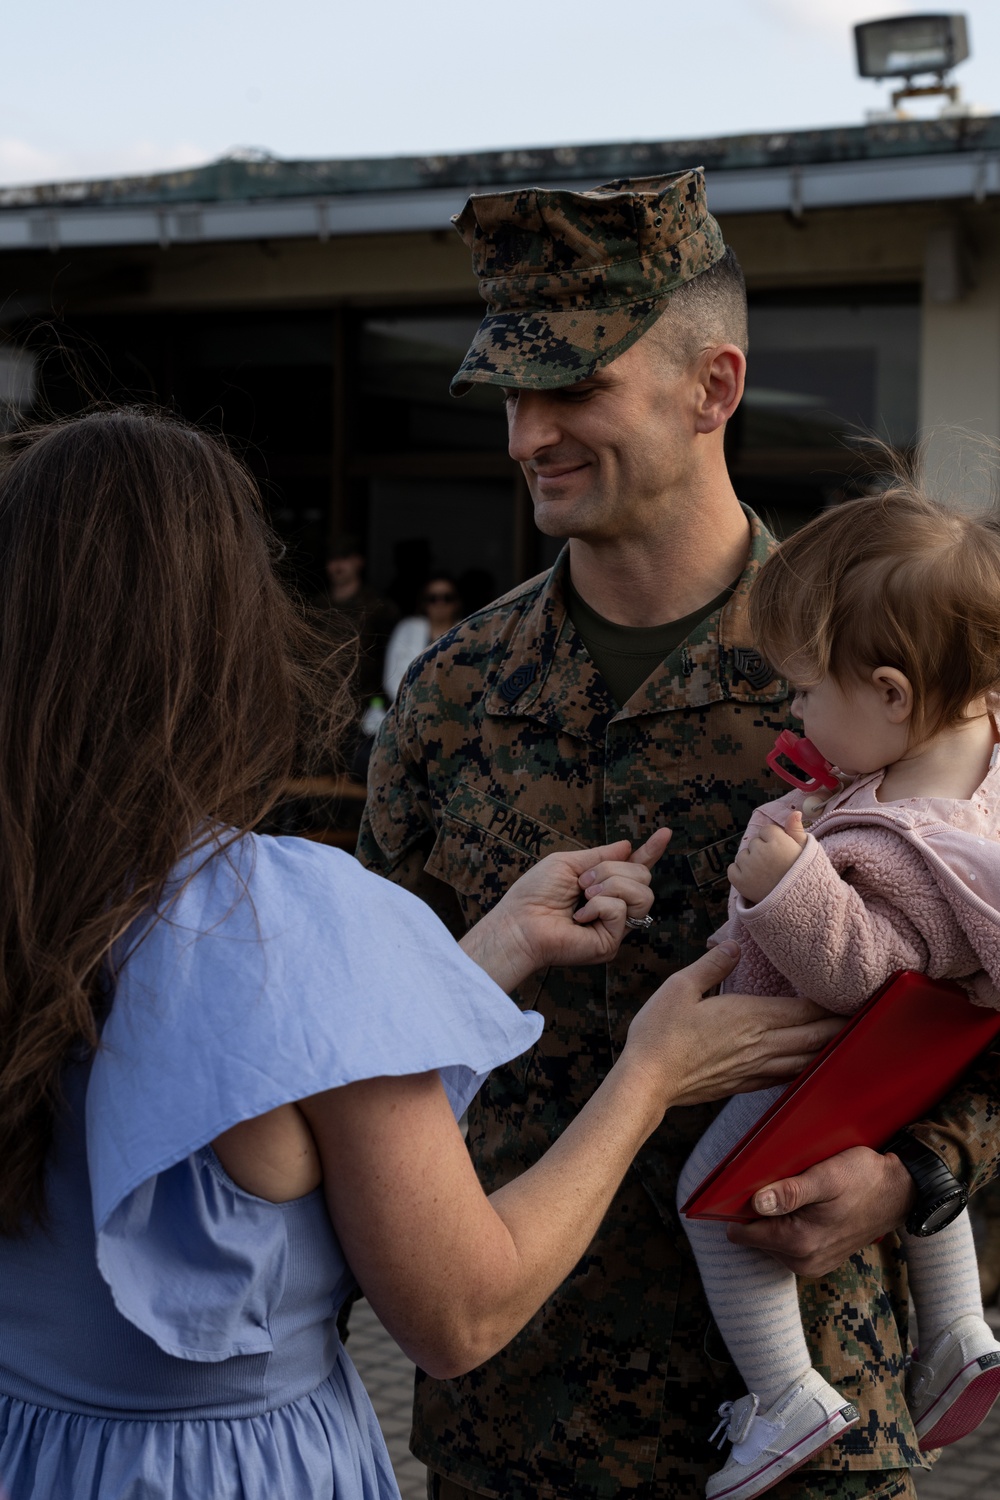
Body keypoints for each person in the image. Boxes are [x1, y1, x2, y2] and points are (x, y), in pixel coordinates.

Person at [0, 408, 835, 1500]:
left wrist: (477, 955)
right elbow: (458, 1313)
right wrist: (653, 1073)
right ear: (224, 633)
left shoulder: (47, 895)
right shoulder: (290, 913)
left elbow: (280, 1063)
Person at [357, 169, 1000, 1500]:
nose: (530, 433)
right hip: (518, 1417)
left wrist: (911, 1181)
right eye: (513, 396)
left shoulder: (891, 668)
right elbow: (365, 1039)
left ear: (715, 387)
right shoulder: (456, 692)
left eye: (575, 387)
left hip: (809, 1412)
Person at [677, 483, 1000, 1500]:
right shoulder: (968, 779)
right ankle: (957, 1332)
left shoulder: (915, 847)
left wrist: (787, 886)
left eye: (810, 693)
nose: (796, 713)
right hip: (890, 1082)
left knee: (709, 1203)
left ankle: (786, 1396)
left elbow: (863, 972)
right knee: (922, 1190)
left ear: (896, 694)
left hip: (794, 1066)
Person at [315, 534, 399, 773]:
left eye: (345, 559)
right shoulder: (315, 606)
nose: (338, 566)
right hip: (320, 708)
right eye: (333, 559)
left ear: (358, 562)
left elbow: (392, 660)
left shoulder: (379, 607)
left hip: (363, 709)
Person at [384, 574, 463, 702]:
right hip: (409, 711)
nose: (440, 603)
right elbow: (393, 678)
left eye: (447, 598)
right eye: (433, 598)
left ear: (457, 602)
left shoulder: (469, 631)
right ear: (423, 602)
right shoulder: (407, 628)